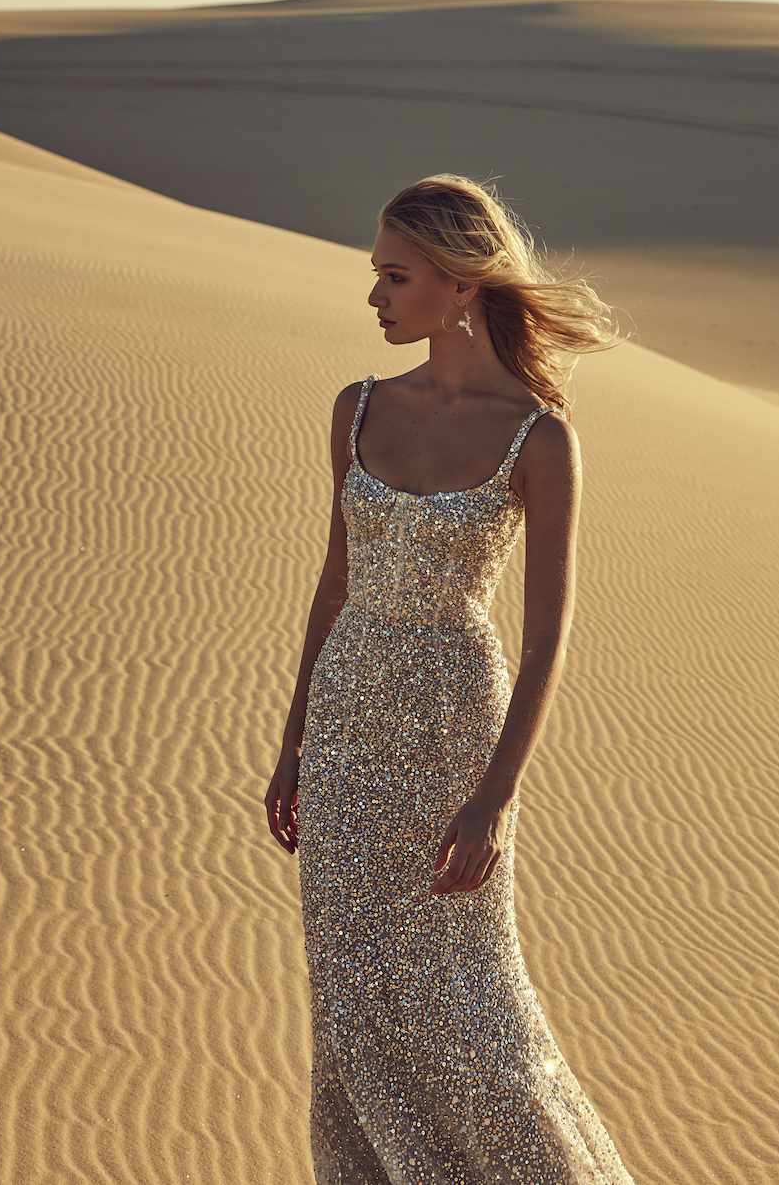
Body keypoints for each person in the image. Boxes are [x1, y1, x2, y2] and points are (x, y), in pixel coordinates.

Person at [266, 173, 636, 1182]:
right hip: (345, 721)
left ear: (460, 287)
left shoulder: (538, 437)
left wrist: (493, 799)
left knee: (466, 999)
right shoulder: (355, 409)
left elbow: (549, 633)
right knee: (349, 996)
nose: (375, 298)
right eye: (375, 276)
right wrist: (293, 744)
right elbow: (333, 584)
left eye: (395, 276)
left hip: (451, 722)